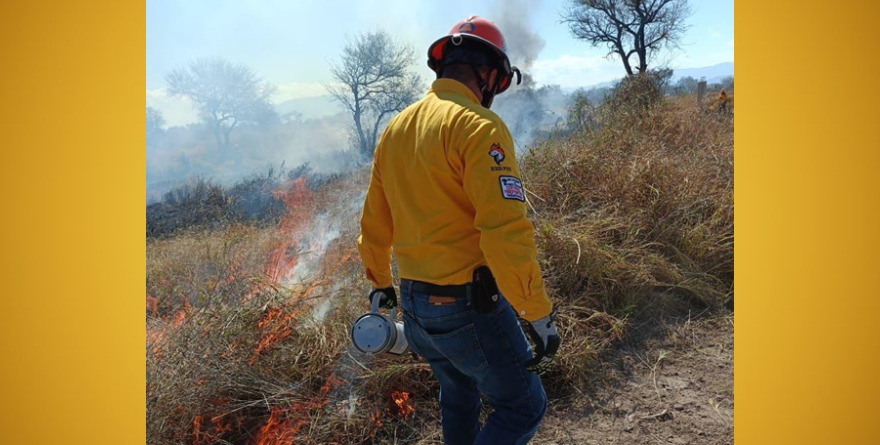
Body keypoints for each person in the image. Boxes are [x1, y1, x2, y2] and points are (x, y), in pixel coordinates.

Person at [357, 16, 560, 445]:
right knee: (523, 405)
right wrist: (536, 312)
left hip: (414, 305)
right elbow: (504, 229)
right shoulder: (479, 127)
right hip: (467, 306)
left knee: (459, 396)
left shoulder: (395, 130)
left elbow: (373, 224)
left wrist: (380, 284)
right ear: (489, 75)